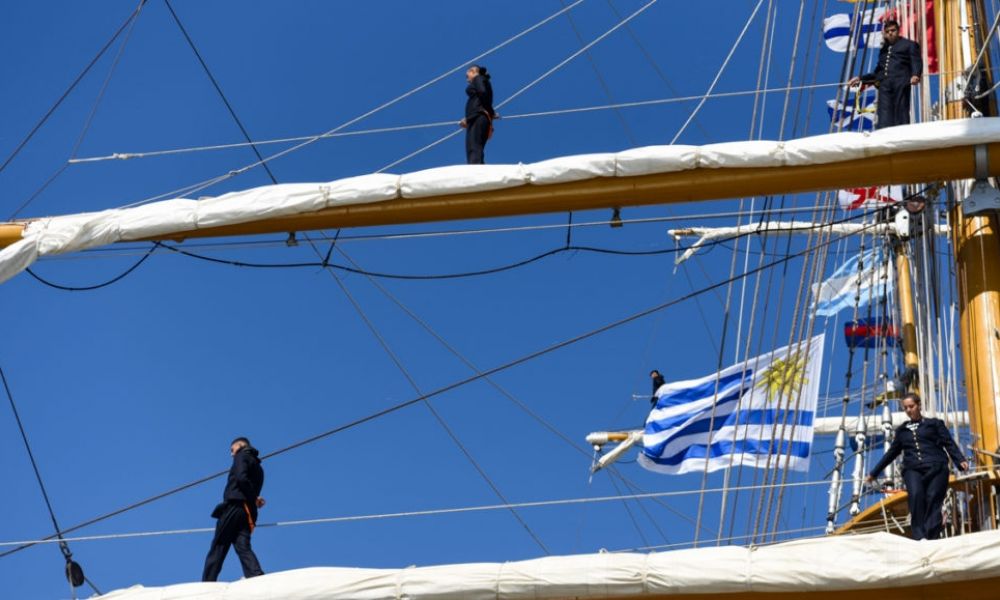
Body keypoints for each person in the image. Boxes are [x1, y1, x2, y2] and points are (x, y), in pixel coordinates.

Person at [865, 393, 968, 540]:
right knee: (916, 495)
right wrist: (874, 473)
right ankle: (920, 537)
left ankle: (932, 535)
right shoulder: (902, 431)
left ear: (919, 405)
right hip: (912, 469)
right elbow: (892, 453)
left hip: (936, 465)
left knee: (933, 497)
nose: (908, 410)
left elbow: (948, 443)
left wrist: (959, 460)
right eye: (905, 408)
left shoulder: (934, 424)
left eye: (911, 406)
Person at [202, 437, 266, 581]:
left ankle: (207, 583)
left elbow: (241, 479)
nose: (232, 454)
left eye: (232, 450)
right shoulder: (259, 468)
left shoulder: (241, 456)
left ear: (240, 446)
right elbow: (251, 486)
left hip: (235, 506)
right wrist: (255, 498)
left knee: (219, 545)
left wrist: (253, 497)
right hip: (249, 512)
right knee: (242, 545)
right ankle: (255, 574)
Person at [847, 20, 922, 129]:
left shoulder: (909, 45)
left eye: (893, 30)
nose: (890, 33)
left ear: (898, 31)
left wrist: (916, 74)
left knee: (900, 109)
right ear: (884, 33)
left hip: (901, 82)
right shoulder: (884, 50)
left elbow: (916, 61)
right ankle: (884, 131)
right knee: (884, 111)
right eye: (887, 31)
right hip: (885, 84)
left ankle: (902, 131)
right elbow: (878, 72)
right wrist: (860, 79)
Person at [460, 65, 497, 164]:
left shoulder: (478, 78)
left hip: (478, 116)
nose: (467, 78)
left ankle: (475, 169)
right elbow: (482, 97)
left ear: (473, 72)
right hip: (477, 116)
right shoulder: (481, 80)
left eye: (467, 75)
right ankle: (477, 167)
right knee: (474, 147)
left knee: (474, 146)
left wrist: (490, 112)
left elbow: (483, 93)